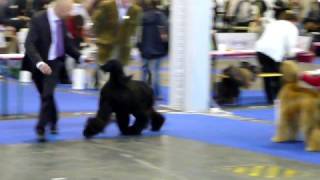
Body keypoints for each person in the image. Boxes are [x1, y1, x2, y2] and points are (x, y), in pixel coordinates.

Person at [22, 0, 91, 142]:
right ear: (60, 9)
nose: (70, 14)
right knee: (46, 95)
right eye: (68, 10)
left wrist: (82, 57)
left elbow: (67, 45)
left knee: (47, 95)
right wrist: (40, 63)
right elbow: (29, 44)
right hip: (39, 63)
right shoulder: (38, 19)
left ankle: (41, 127)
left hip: (55, 64)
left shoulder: (63, 21)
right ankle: (54, 120)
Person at [92, 0, 142, 87]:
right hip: (106, 45)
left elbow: (134, 29)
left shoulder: (136, 10)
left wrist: (133, 44)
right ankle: (105, 90)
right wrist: (100, 37)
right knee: (105, 72)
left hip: (124, 46)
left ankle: (122, 93)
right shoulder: (106, 5)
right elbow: (96, 22)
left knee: (123, 72)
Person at [255, 11, 299, 104]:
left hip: (260, 50)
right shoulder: (292, 27)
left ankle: (269, 99)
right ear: (293, 20)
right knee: (278, 76)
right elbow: (290, 45)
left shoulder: (273, 23)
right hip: (274, 53)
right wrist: (292, 56)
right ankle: (279, 98)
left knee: (266, 74)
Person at [138, 0, 168, 100]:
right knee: (155, 72)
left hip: (144, 49)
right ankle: (156, 94)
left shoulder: (142, 16)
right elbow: (164, 34)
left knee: (144, 72)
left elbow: (138, 34)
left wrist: (139, 46)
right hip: (158, 49)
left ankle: (142, 93)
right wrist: (166, 47)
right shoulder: (161, 16)